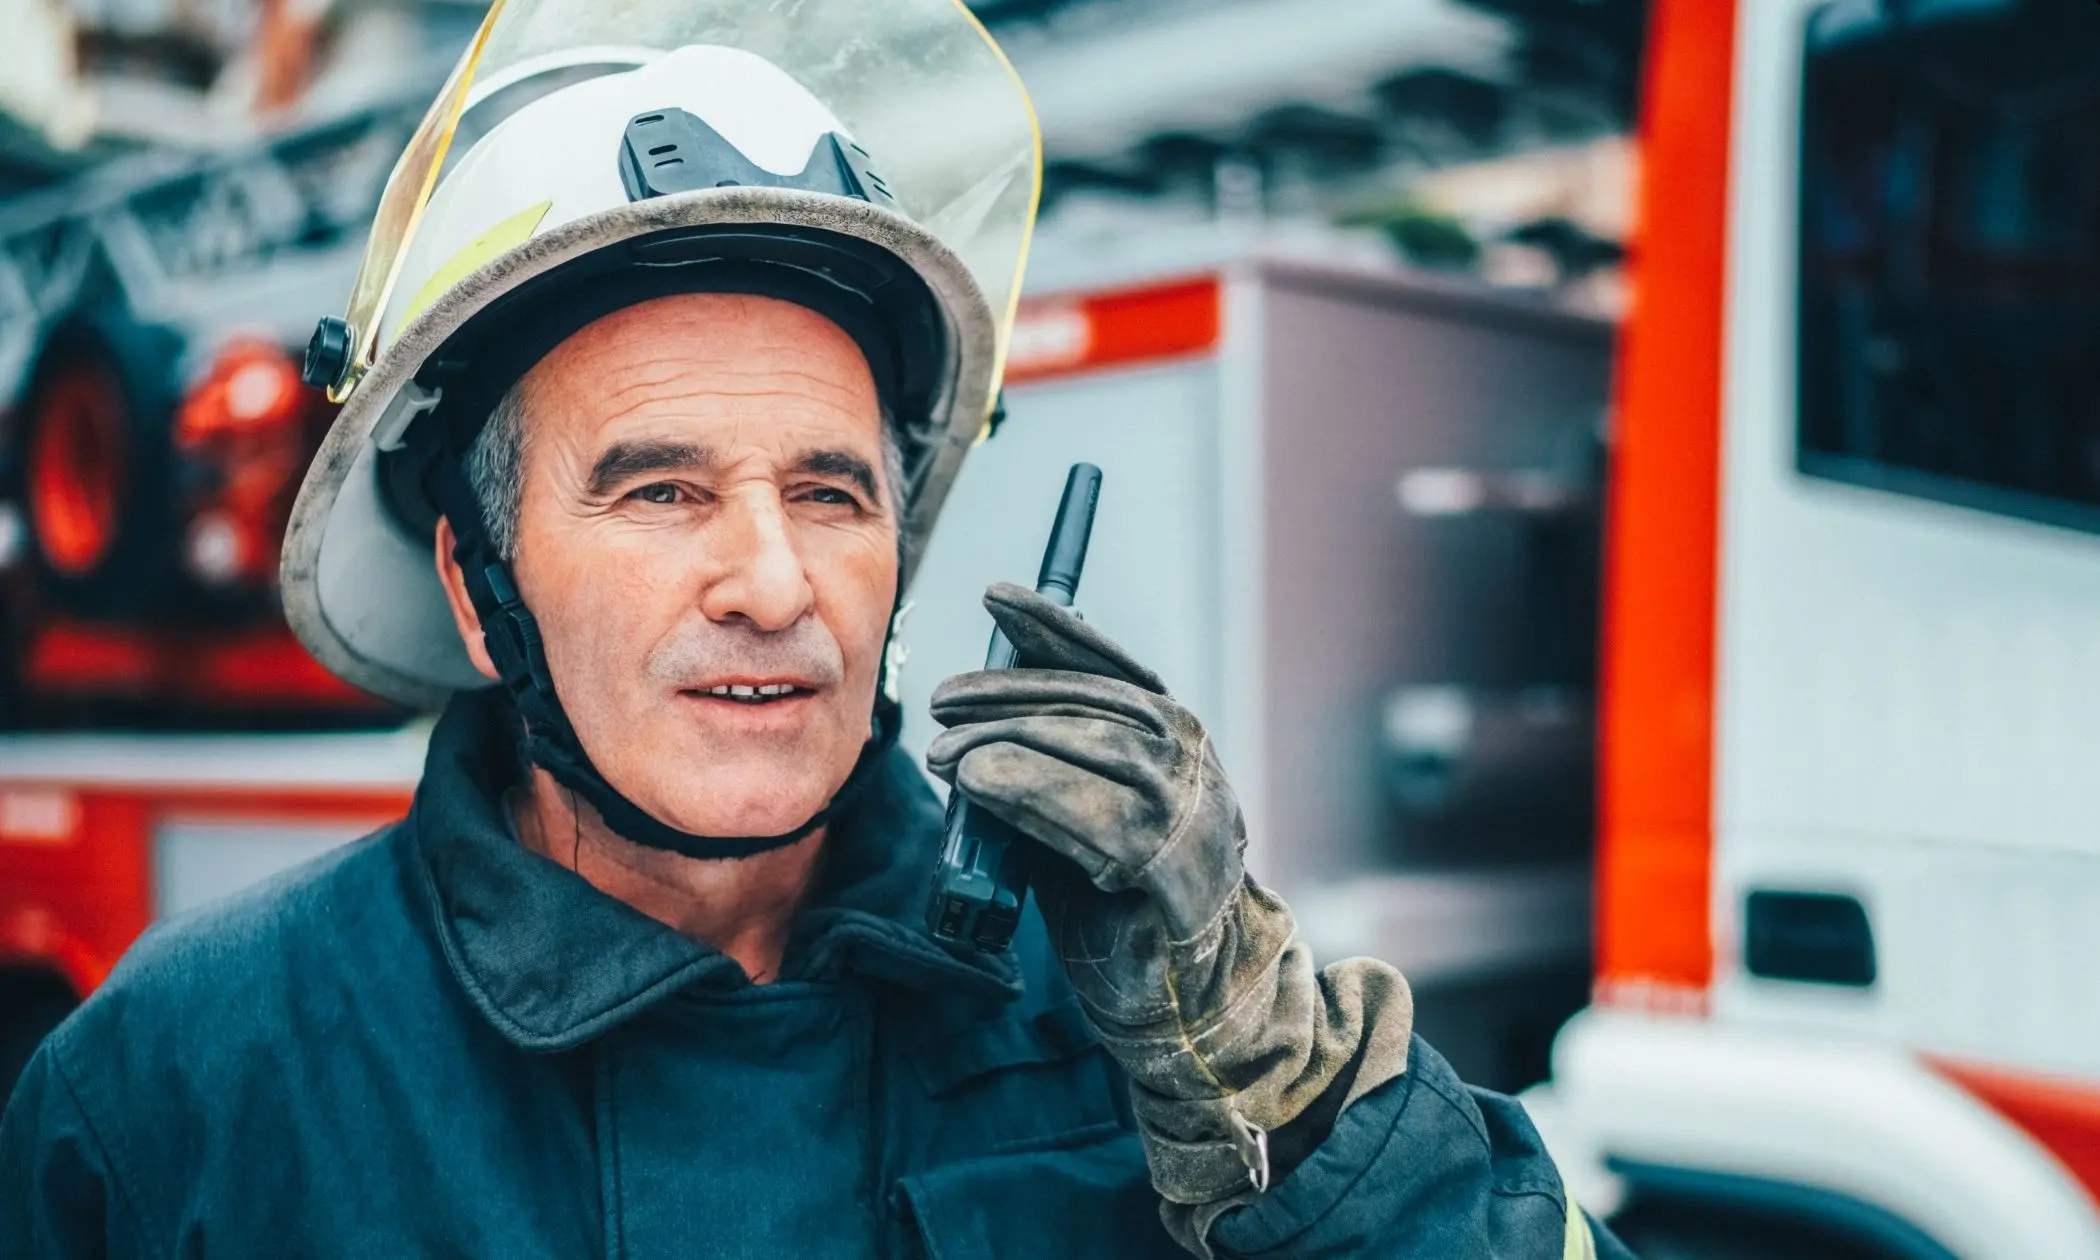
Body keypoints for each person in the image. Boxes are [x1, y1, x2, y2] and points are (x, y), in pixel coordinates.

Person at [0, 4, 1632, 1256]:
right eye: (658, 491)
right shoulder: (181, 1090)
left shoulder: (1115, 1030)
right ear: (473, 584)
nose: (774, 584)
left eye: (834, 494)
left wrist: (1302, 1119)